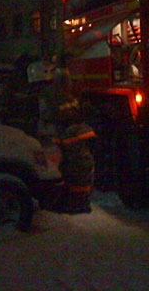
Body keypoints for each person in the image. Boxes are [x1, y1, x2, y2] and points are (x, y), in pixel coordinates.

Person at [28, 60, 96, 214]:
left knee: (71, 170)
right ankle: (76, 203)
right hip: (74, 136)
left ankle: (74, 204)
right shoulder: (59, 92)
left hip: (64, 138)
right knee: (76, 169)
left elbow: (44, 117)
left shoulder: (43, 94)